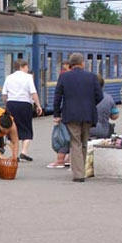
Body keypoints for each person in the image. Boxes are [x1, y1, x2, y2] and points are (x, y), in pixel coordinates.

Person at [53, 53, 103, 182]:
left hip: (71, 114)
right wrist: (90, 105)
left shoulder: (64, 77)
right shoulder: (91, 77)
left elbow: (58, 96)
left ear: (70, 64)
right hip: (88, 114)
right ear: (82, 63)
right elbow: (100, 96)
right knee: (84, 142)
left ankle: (78, 174)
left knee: (75, 143)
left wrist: (57, 114)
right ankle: (83, 171)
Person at [1, 58, 43, 161]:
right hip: (25, 105)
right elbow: (33, 92)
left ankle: (14, 154)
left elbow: (4, 94)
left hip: (12, 104)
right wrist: (38, 105)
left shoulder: (9, 77)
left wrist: (6, 105)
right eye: (27, 67)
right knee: (26, 128)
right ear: (22, 67)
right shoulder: (28, 77)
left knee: (12, 129)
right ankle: (24, 152)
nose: (28, 69)